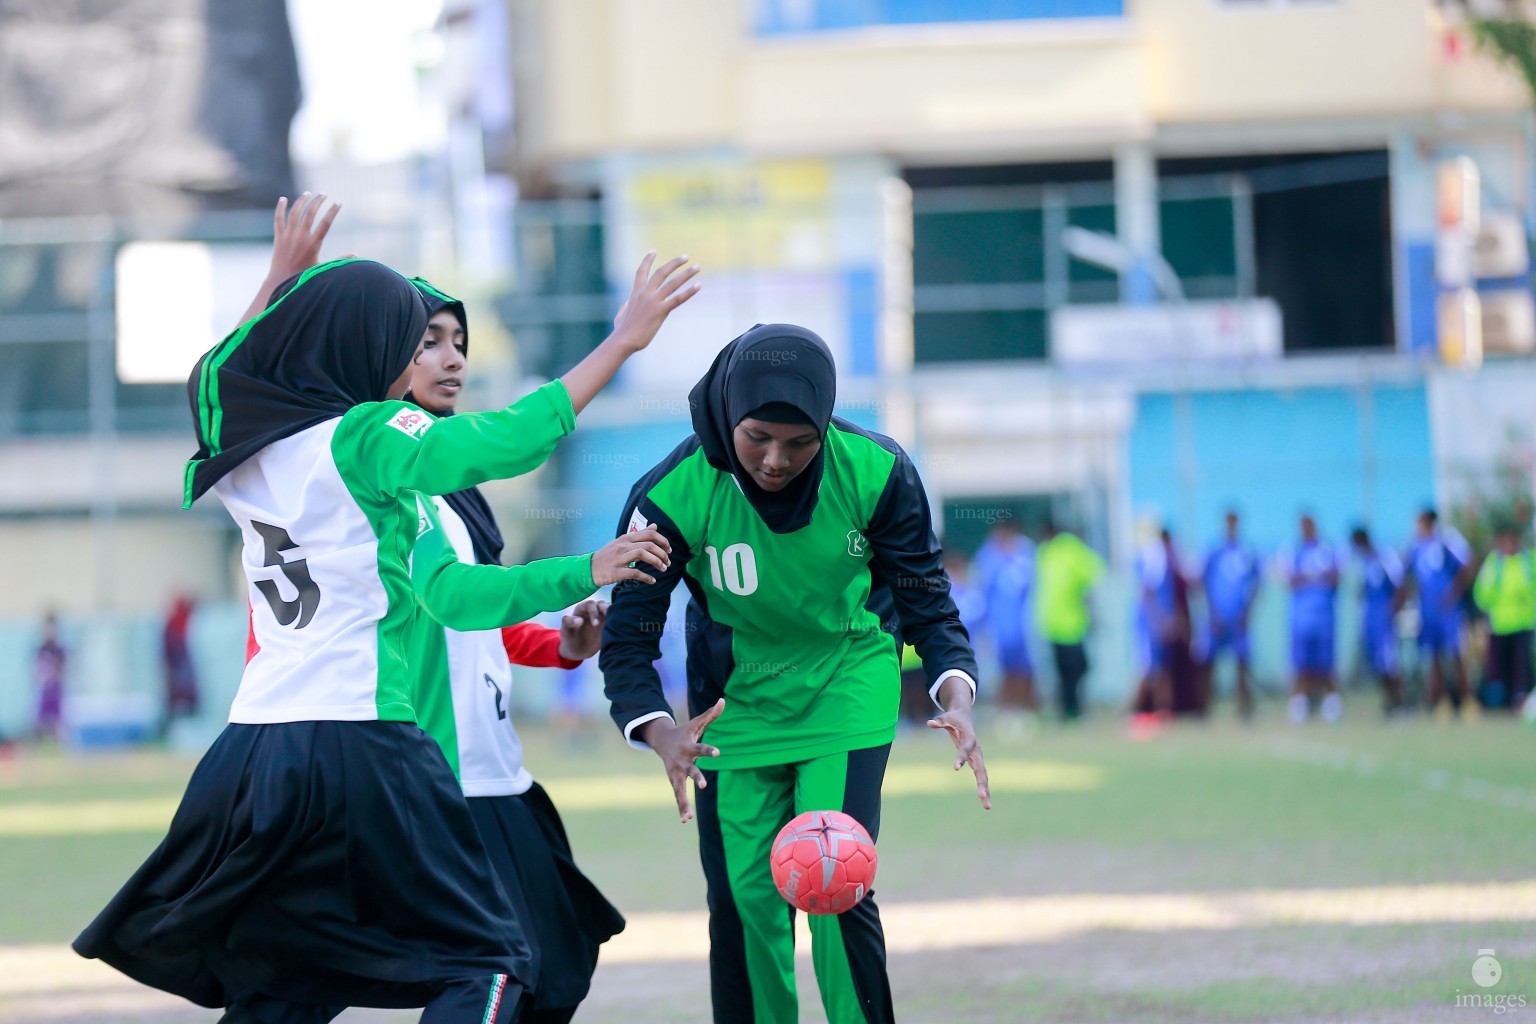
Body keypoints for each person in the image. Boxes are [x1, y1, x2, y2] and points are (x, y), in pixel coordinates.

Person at [74, 246, 697, 1022]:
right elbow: (505, 441)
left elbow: (217, 372)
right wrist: (622, 342)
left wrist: (279, 286)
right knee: (494, 963)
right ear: (364, 346)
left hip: (253, 750)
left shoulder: (244, 446)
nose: (431, 356)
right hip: (361, 737)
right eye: (408, 336)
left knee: (287, 978)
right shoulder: (366, 435)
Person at [600, 323, 989, 1024]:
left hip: (846, 682)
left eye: (799, 442)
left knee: (834, 882)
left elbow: (928, 605)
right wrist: (662, 733)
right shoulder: (670, 495)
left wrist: (955, 691)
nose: (776, 460)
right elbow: (628, 641)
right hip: (733, 713)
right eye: (758, 438)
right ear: (727, 417)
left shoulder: (877, 471)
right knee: (745, 904)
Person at [403, 275, 627, 1023]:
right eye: (428, 342)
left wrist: (559, 644)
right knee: (498, 970)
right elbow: (453, 597)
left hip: (496, 773)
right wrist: (625, 339)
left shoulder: (446, 485)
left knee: (555, 965)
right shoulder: (393, 479)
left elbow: (474, 625)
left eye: (459, 342)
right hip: (444, 775)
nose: (452, 358)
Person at [1404, 507, 1476, 720]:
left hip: (1448, 610)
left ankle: (1466, 699)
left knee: (1455, 653)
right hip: (1427, 611)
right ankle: (1441, 701)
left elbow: (1467, 565)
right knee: (1432, 655)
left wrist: (1453, 595)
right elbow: (1407, 575)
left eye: (1419, 522)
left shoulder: (1447, 539)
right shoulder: (1416, 547)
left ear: (1428, 521)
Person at [1034, 519, 1106, 721]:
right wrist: (1093, 615)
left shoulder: (1045, 552)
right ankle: (1071, 710)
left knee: (1066, 671)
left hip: (1052, 623)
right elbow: (1091, 580)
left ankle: (1067, 709)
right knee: (1077, 669)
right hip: (1071, 623)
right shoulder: (1072, 550)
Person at [971, 519, 1038, 720]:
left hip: (1024, 624)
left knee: (1027, 669)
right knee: (1003, 670)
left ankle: (1027, 709)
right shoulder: (987, 555)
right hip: (998, 625)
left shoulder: (1026, 551)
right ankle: (1006, 710)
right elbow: (981, 590)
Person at [1199, 510, 1261, 719]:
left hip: (1238, 618)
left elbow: (1257, 583)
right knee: (1209, 664)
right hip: (1217, 618)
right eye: (1228, 523)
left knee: (1242, 663)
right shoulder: (1215, 551)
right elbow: (1204, 582)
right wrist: (1212, 612)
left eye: (1234, 523)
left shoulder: (1247, 551)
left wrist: (1248, 610)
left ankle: (1245, 708)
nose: (1231, 527)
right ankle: (1205, 708)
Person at [1280, 514, 1341, 723]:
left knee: (1326, 664)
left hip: (1324, 617)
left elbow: (1335, 577)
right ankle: (1300, 704)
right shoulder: (1294, 551)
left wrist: (1309, 577)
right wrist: (1314, 577)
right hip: (1301, 618)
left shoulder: (1327, 549)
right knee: (1300, 664)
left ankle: (1331, 704)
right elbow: (1290, 579)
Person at [1472, 523, 1536, 711]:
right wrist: (1486, 606)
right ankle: (1503, 702)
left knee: (1522, 667)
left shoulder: (1528, 560)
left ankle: (1522, 700)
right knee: (1500, 667)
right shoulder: (1494, 563)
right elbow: (1481, 591)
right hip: (1499, 623)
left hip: (1524, 621)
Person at [1349, 526, 1405, 715]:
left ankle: (1400, 702)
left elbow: (1400, 585)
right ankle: (1388, 702)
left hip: (1384, 620)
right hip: (1370, 621)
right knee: (1377, 665)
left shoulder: (1386, 556)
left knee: (1390, 663)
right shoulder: (1364, 562)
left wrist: (1392, 611)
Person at [160, 594, 201, 738]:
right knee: (179, 701)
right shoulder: (175, 621)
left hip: (187, 667)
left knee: (188, 701)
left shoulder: (189, 620)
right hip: (179, 667)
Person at [33, 612, 66, 741]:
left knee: (58, 724)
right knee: (38, 724)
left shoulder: (60, 650)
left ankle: (65, 751)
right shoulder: (40, 649)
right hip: (44, 692)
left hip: (56, 692)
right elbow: (35, 671)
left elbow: (65, 671)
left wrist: (55, 676)